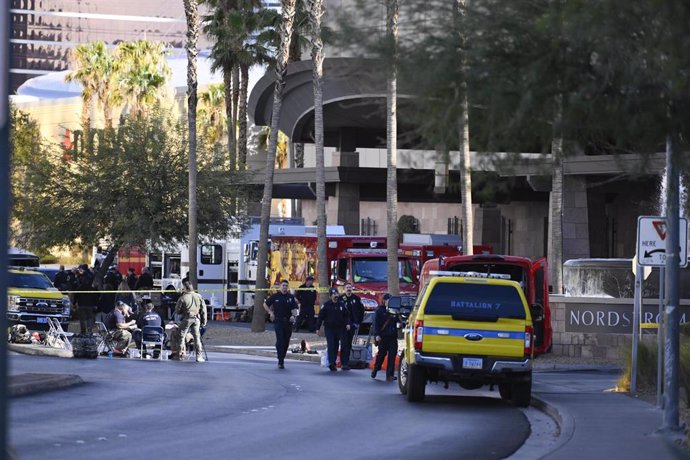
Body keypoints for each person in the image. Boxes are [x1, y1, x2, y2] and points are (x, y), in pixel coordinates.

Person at [263, 280, 299, 369]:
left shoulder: (291, 297)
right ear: (280, 286)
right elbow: (265, 304)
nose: (285, 287)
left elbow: (295, 309)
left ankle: (282, 356)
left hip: (288, 322)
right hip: (278, 321)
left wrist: (293, 316)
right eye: (283, 285)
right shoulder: (275, 296)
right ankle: (280, 361)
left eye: (286, 286)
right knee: (280, 340)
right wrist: (270, 312)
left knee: (286, 341)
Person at [316, 288, 351, 371]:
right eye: (334, 294)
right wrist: (317, 328)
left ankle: (334, 361)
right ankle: (332, 363)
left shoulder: (341, 304)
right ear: (330, 296)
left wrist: (348, 323)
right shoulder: (326, 305)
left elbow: (346, 315)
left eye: (336, 294)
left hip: (339, 328)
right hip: (329, 328)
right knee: (331, 344)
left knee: (336, 345)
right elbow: (320, 317)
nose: (336, 296)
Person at [174, 280, 207, 362]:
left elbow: (177, 310)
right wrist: (204, 322)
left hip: (187, 318)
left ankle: (180, 354)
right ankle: (199, 356)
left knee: (181, 336)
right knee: (197, 337)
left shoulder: (183, 297)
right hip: (197, 319)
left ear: (185, 288)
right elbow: (204, 310)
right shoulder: (199, 296)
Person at [371, 293, 399, 381]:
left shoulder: (394, 310)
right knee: (381, 355)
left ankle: (389, 375)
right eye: (388, 300)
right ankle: (376, 368)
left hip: (393, 336)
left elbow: (398, 321)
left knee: (392, 355)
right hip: (383, 337)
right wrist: (376, 335)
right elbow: (376, 323)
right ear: (384, 301)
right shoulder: (379, 310)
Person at [341, 283, 364, 365]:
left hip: (353, 324)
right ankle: (343, 362)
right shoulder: (341, 298)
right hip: (343, 325)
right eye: (347, 287)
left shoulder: (356, 298)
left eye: (350, 287)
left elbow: (361, 311)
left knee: (349, 343)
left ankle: (346, 361)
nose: (349, 289)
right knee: (344, 343)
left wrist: (358, 322)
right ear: (344, 289)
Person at [74, 264, 98, 334]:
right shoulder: (91, 279)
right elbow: (95, 294)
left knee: (83, 319)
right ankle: (89, 331)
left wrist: (74, 302)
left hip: (82, 302)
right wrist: (95, 303)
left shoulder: (82, 280)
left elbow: (77, 292)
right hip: (90, 303)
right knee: (89, 318)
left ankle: (83, 332)